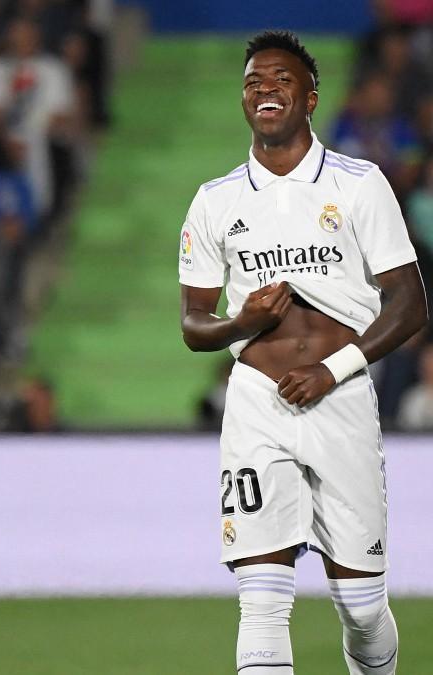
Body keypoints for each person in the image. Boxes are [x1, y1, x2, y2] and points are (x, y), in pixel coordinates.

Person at [178, 31, 427, 675]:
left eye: (281, 80)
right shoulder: (215, 201)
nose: (265, 90)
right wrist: (242, 321)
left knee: (362, 606)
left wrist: (331, 370)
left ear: (311, 97)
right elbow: (192, 324)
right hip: (259, 402)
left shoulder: (359, 183)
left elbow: (409, 305)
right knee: (261, 599)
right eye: (253, 82)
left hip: (340, 396)